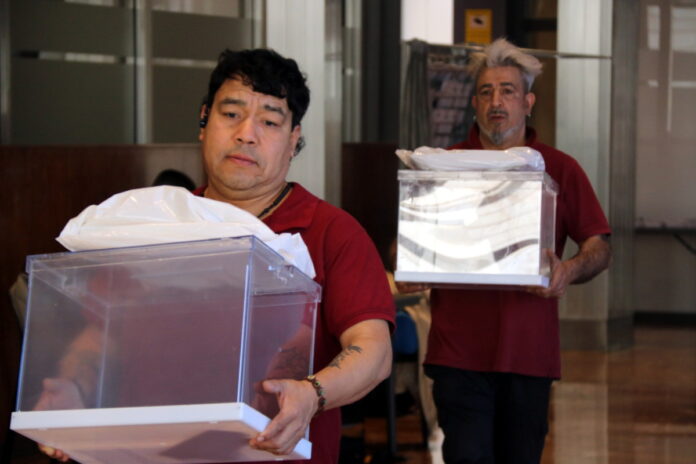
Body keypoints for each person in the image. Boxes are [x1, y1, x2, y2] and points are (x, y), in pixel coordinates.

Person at [40, 48, 395, 464]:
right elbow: (102, 335)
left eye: (269, 121)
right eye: (231, 114)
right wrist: (73, 386)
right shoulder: (156, 225)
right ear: (204, 120)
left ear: (293, 139)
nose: (247, 133)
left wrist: (312, 394)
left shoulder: (332, 232)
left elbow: (374, 351)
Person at [402, 38, 612, 464]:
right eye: (486, 92)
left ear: (528, 102)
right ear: (475, 104)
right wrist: (407, 261)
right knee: (466, 456)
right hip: (458, 352)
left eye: (508, 91)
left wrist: (568, 270)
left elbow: (599, 244)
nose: (496, 101)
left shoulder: (560, 168)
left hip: (529, 355)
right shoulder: (442, 165)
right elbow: (407, 238)